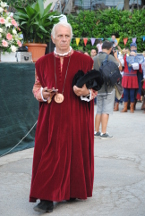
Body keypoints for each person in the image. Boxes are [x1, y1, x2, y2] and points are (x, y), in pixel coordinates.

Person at [29, 21, 95, 213]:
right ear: (53, 38)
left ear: (71, 37)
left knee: (75, 152)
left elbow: (93, 90)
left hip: (76, 116)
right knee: (49, 154)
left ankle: (72, 189)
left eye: (67, 36)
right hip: (51, 118)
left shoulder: (85, 61)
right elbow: (36, 87)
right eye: (60, 36)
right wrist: (43, 94)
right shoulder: (41, 62)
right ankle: (46, 197)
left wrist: (83, 91)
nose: (64, 39)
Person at [93, 41, 122, 139]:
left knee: (99, 110)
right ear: (110, 48)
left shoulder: (94, 58)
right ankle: (103, 133)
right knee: (106, 110)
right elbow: (120, 67)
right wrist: (115, 56)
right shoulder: (110, 57)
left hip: (98, 87)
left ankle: (96, 131)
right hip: (108, 87)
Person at [121, 42, 140, 113]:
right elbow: (122, 64)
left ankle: (132, 108)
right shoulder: (126, 55)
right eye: (131, 47)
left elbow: (137, 67)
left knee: (132, 93)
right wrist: (122, 55)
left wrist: (134, 58)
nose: (132, 48)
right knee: (125, 92)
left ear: (136, 48)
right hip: (126, 76)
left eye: (134, 47)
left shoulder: (137, 56)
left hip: (133, 76)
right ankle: (125, 108)